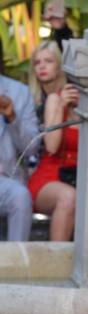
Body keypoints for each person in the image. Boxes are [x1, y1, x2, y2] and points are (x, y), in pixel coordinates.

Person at [28, 41, 79, 241]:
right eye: (37, 62)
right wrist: (60, 106)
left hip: (78, 177)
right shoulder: (54, 100)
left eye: (48, 61)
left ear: (60, 65)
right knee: (68, 197)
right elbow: (51, 146)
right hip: (50, 176)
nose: (42, 66)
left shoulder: (81, 99)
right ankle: (55, 260)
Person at [0, 39, 38, 241]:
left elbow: (31, 149)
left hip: (6, 179)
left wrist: (12, 116)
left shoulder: (19, 92)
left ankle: (18, 265)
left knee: (21, 197)